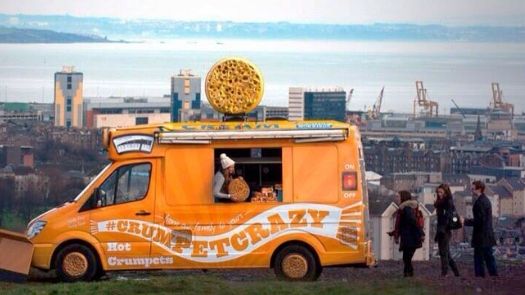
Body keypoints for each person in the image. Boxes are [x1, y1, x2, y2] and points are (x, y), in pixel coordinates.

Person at [463, 181, 498, 278]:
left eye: (473, 189)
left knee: (479, 258)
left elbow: (479, 221)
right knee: (488, 256)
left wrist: (465, 221)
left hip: (481, 235)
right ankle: (493, 275)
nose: (471, 190)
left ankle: (480, 277)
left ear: (479, 189)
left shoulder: (480, 202)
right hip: (486, 235)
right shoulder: (485, 200)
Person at [388, 191, 424, 277]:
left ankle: (408, 274)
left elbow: (413, 222)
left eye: (398, 197)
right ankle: (407, 275)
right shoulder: (405, 208)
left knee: (406, 258)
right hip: (410, 237)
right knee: (406, 258)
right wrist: (394, 233)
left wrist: (421, 233)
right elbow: (402, 224)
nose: (396, 198)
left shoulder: (406, 209)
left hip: (411, 238)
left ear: (403, 197)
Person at [434, 184, 460, 277]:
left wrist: (442, 229)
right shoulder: (441, 202)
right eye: (438, 192)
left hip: (445, 230)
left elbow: (447, 217)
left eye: (441, 192)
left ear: (445, 192)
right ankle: (456, 273)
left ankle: (444, 273)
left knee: (443, 252)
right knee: (446, 253)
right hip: (442, 229)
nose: (439, 194)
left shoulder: (447, 202)